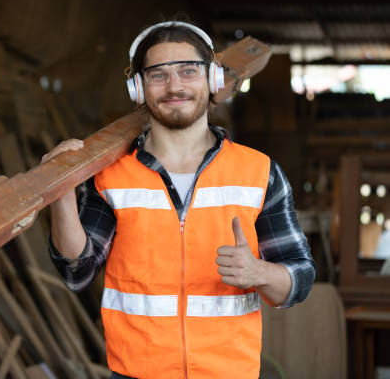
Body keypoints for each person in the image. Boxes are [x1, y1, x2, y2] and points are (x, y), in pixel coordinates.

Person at [42, 21, 315, 379]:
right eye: (158, 75)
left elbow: (301, 277)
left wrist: (259, 273)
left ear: (212, 80)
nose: (175, 86)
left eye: (188, 71)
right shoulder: (112, 178)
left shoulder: (259, 172)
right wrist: (60, 194)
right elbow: (78, 272)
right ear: (138, 88)